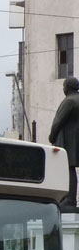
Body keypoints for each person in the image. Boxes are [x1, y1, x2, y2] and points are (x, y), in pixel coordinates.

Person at [48, 76, 79, 207]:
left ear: (68, 87)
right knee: (70, 168)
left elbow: (58, 121)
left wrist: (52, 136)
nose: (63, 88)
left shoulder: (69, 101)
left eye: (64, 86)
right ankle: (70, 197)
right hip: (76, 139)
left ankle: (70, 198)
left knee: (68, 168)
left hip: (70, 141)